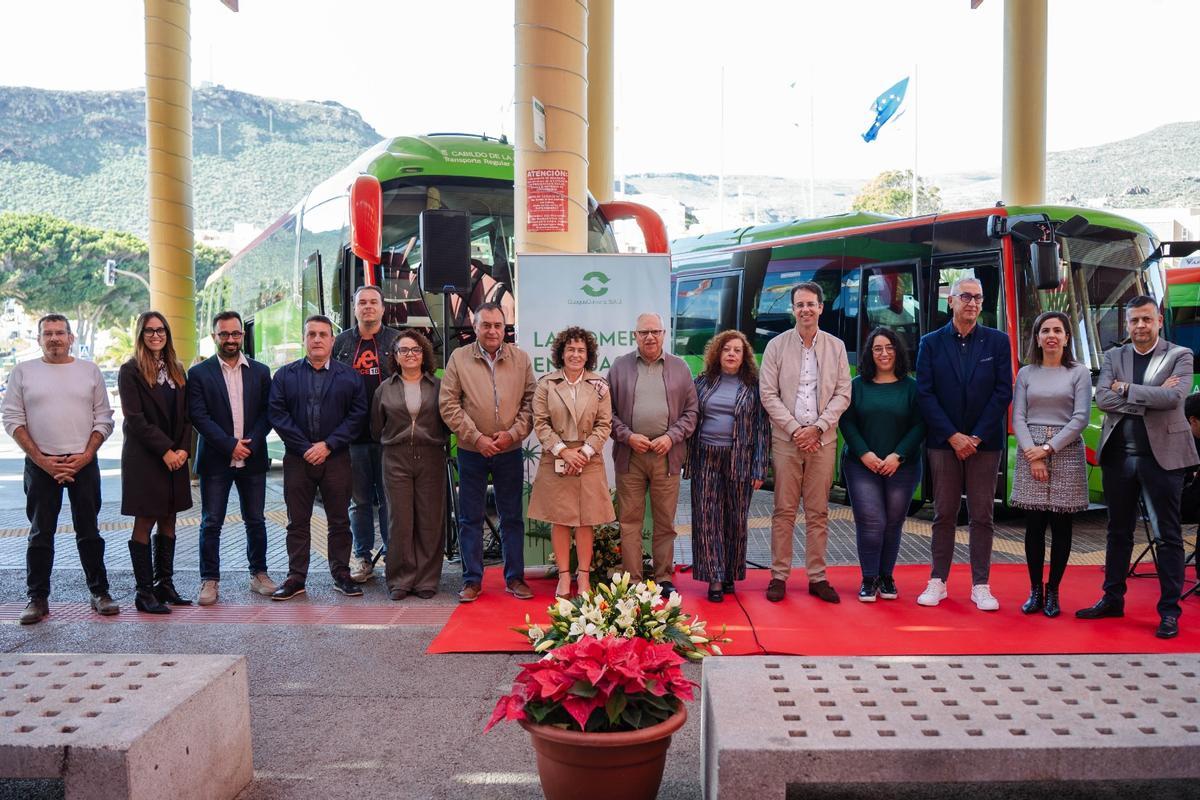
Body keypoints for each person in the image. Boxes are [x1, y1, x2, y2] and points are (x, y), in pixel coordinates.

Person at [1077, 296, 1197, 639]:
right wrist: (1150, 394)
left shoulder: (1180, 355)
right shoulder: (1114, 356)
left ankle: (1169, 612)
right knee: (1118, 532)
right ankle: (1112, 599)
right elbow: (1104, 398)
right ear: (1127, 324)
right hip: (1119, 458)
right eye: (1134, 320)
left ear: (1158, 320)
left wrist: (1127, 389)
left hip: (1164, 459)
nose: (1140, 326)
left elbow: (1174, 398)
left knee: (1167, 535)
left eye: (1146, 319)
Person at [3, 314, 119, 624]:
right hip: (40, 465)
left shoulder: (89, 371)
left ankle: (100, 592)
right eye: (48, 333)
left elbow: (104, 418)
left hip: (84, 463)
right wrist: (43, 460)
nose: (54, 338)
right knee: (40, 533)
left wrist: (85, 456)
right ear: (39, 339)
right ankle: (37, 598)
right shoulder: (23, 372)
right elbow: (12, 419)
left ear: (70, 337)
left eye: (59, 333)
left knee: (89, 531)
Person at [914, 276, 1012, 611]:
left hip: (986, 443)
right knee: (944, 512)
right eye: (966, 297)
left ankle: (981, 585)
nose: (972, 303)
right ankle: (938, 580)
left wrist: (976, 436)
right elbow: (925, 393)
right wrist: (953, 436)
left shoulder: (997, 342)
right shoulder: (931, 343)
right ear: (951, 301)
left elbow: (1003, 392)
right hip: (944, 443)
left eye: (978, 298)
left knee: (982, 515)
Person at [759, 281, 852, 603]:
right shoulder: (776, 346)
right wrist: (796, 429)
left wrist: (818, 428)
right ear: (793, 309)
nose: (805, 309)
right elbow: (768, 394)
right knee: (783, 510)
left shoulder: (836, 347)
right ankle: (778, 576)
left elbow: (843, 393)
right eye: (800, 305)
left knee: (818, 512)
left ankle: (817, 577)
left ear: (821, 308)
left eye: (811, 304)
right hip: (787, 441)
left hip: (822, 441)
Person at [439, 302, 536, 602]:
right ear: (475, 326)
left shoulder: (520, 359)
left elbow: (531, 403)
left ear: (505, 328)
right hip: (472, 451)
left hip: (510, 450)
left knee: (512, 517)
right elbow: (448, 404)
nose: (492, 331)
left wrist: (512, 435)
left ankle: (515, 578)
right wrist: (477, 438)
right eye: (486, 325)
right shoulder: (459, 358)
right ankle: (472, 581)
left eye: (497, 325)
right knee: (470, 518)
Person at [268, 315, 368, 600]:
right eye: (311, 334)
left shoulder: (350, 377)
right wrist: (305, 448)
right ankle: (296, 578)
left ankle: (341, 574)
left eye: (323, 334)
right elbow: (278, 414)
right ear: (304, 339)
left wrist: (327, 445)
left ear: (332, 341)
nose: (317, 339)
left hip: (336, 458)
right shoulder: (285, 376)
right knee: (297, 521)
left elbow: (357, 416)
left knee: (339, 521)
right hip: (297, 459)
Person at [187, 311, 275, 606]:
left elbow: (268, 412)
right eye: (224, 334)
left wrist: (250, 443)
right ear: (214, 336)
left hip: (252, 457)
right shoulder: (199, 374)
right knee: (211, 522)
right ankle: (209, 579)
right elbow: (198, 416)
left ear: (243, 335)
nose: (230, 339)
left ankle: (259, 574)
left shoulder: (260, 371)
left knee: (256, 520)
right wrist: (229, 446)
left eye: (235, 333)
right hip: (216, 459)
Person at [608, 312, 698, 596]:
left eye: (655, 332)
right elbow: (606, 413)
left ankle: (663, 577)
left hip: (666, 457)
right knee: (629, 521)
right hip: (630, 456)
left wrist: (671, 438)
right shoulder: (619, 367)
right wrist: (628, 436)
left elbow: (692, 412)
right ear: (635, 336)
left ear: (663, 334)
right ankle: (632, 580)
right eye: (644, 332)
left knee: (664, 521)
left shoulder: (680, 368)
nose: (650, 337)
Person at [1010, 311, 1090, 618]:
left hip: (1066, 449)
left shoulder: (1079, 372)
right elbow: (1018, 416)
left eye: (1058, 330)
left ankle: (1053, 590)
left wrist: (1047, 449)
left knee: (1061, 525)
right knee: (1034, 525)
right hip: (1030, 448)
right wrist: (1033, 453)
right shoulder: (1026, 373)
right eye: (1045, 330)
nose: (1051, 336)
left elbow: (1080, 418)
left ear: (1067, 337)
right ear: (1037, 337)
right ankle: (1035, 590)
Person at [839, 327, 925, 603]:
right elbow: (846, 422)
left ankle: (886, 576)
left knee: (893, 522)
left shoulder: (912, 387)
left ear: (897, 351)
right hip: (861, 464)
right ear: (869, 353)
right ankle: (869, 578)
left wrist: (897, 455)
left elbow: (921, 425)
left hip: (902, 465)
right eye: (877, 348)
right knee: (871, 521)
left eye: (889, 347)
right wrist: (864, 453)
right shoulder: (856, 386)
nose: (884, 353)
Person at [683, 330, 769, 602]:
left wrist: (760, 468)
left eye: (737, 350)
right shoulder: (702, 382)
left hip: (740, 459)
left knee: (735, 520)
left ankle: (730, 572)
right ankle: (715, 578)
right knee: (707, 518)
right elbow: (690, 418)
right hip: (705, 457)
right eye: (726, 349)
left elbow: (762, 429)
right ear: (717, 353)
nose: (731, 354)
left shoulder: (754, 387)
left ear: (744, 357)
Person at [528, 327, 615, 598]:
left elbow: (604, 424)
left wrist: (584, 453)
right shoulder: (546, 384)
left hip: (589, 458)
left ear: (588, 355)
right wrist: (564, 451)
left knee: (586, 520)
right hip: (556, 457)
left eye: (581, 350)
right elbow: (541, 423)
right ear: (561, 353)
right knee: (561, 519)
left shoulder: (600, 385)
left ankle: (584, 576)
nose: (575, 355)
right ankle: (564, 577)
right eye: (570, 350)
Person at [117, 312, 193, 614]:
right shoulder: (130, 370)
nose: (156, 335)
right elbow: (135, 418)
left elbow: (187, 415)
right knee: (145, 520)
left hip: (175, 457)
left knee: (169, 518)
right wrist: (165, 451)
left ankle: (165, 584)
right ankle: (144, 592)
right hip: (146, 458)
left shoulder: (176, 368)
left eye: (160, 330)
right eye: (149, 331)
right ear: (140, 335)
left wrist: (183, 450)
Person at [371, 330, 448, 601]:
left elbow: (448, 421)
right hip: (396, 458)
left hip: (431, 456)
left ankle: (427, 579)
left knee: (430, 520)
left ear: (424, 353)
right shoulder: (384, 388)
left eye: (415, 349)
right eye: (403, 350)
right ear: (395, 356)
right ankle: (400, 580)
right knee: (399, 521)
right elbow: (376, 427)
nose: (410, 355)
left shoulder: (438, 386)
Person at [333, 285, 399, 583]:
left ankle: (392, 556)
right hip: (353, 437)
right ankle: (362, 557)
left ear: (383, 308)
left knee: (389, 499)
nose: (368, 307)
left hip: (389, 435)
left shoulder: (397, 341)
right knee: (358, 502)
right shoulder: (341, 343)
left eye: (374, 302)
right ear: (355, 308)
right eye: (363, 302)